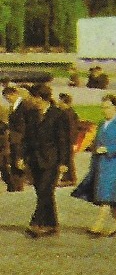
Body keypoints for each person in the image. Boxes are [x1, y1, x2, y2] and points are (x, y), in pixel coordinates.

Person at [72, 93, 116, 236]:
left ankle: (98, 225)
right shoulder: (101, 123)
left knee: (106, 196)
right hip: (102, 164)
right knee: (114, 197)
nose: (104, 110)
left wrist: (108, 149)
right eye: (103, 107)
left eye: (107, 107)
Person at [18, 84, 72, 236]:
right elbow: (27, 138)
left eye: (33, 97)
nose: (31, 100)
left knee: (44, 191)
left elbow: (63, 140)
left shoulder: (58, 115)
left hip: (52, 159)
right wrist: (22, 156)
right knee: (43, 192)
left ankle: (36, 222)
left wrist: (64, 162)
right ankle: (52, 223)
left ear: (40, 98)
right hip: (35, 159)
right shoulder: (31, 115)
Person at [55, 91, 81, 184]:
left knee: (68, 159)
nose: (58, 103)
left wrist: (73, 142)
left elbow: (72, 129)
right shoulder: (66, 112)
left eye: (60, 101)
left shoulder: (68, 114)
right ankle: (67, 177)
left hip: (67, 140)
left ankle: (70, 178)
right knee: (65, 158)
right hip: (64, 139)